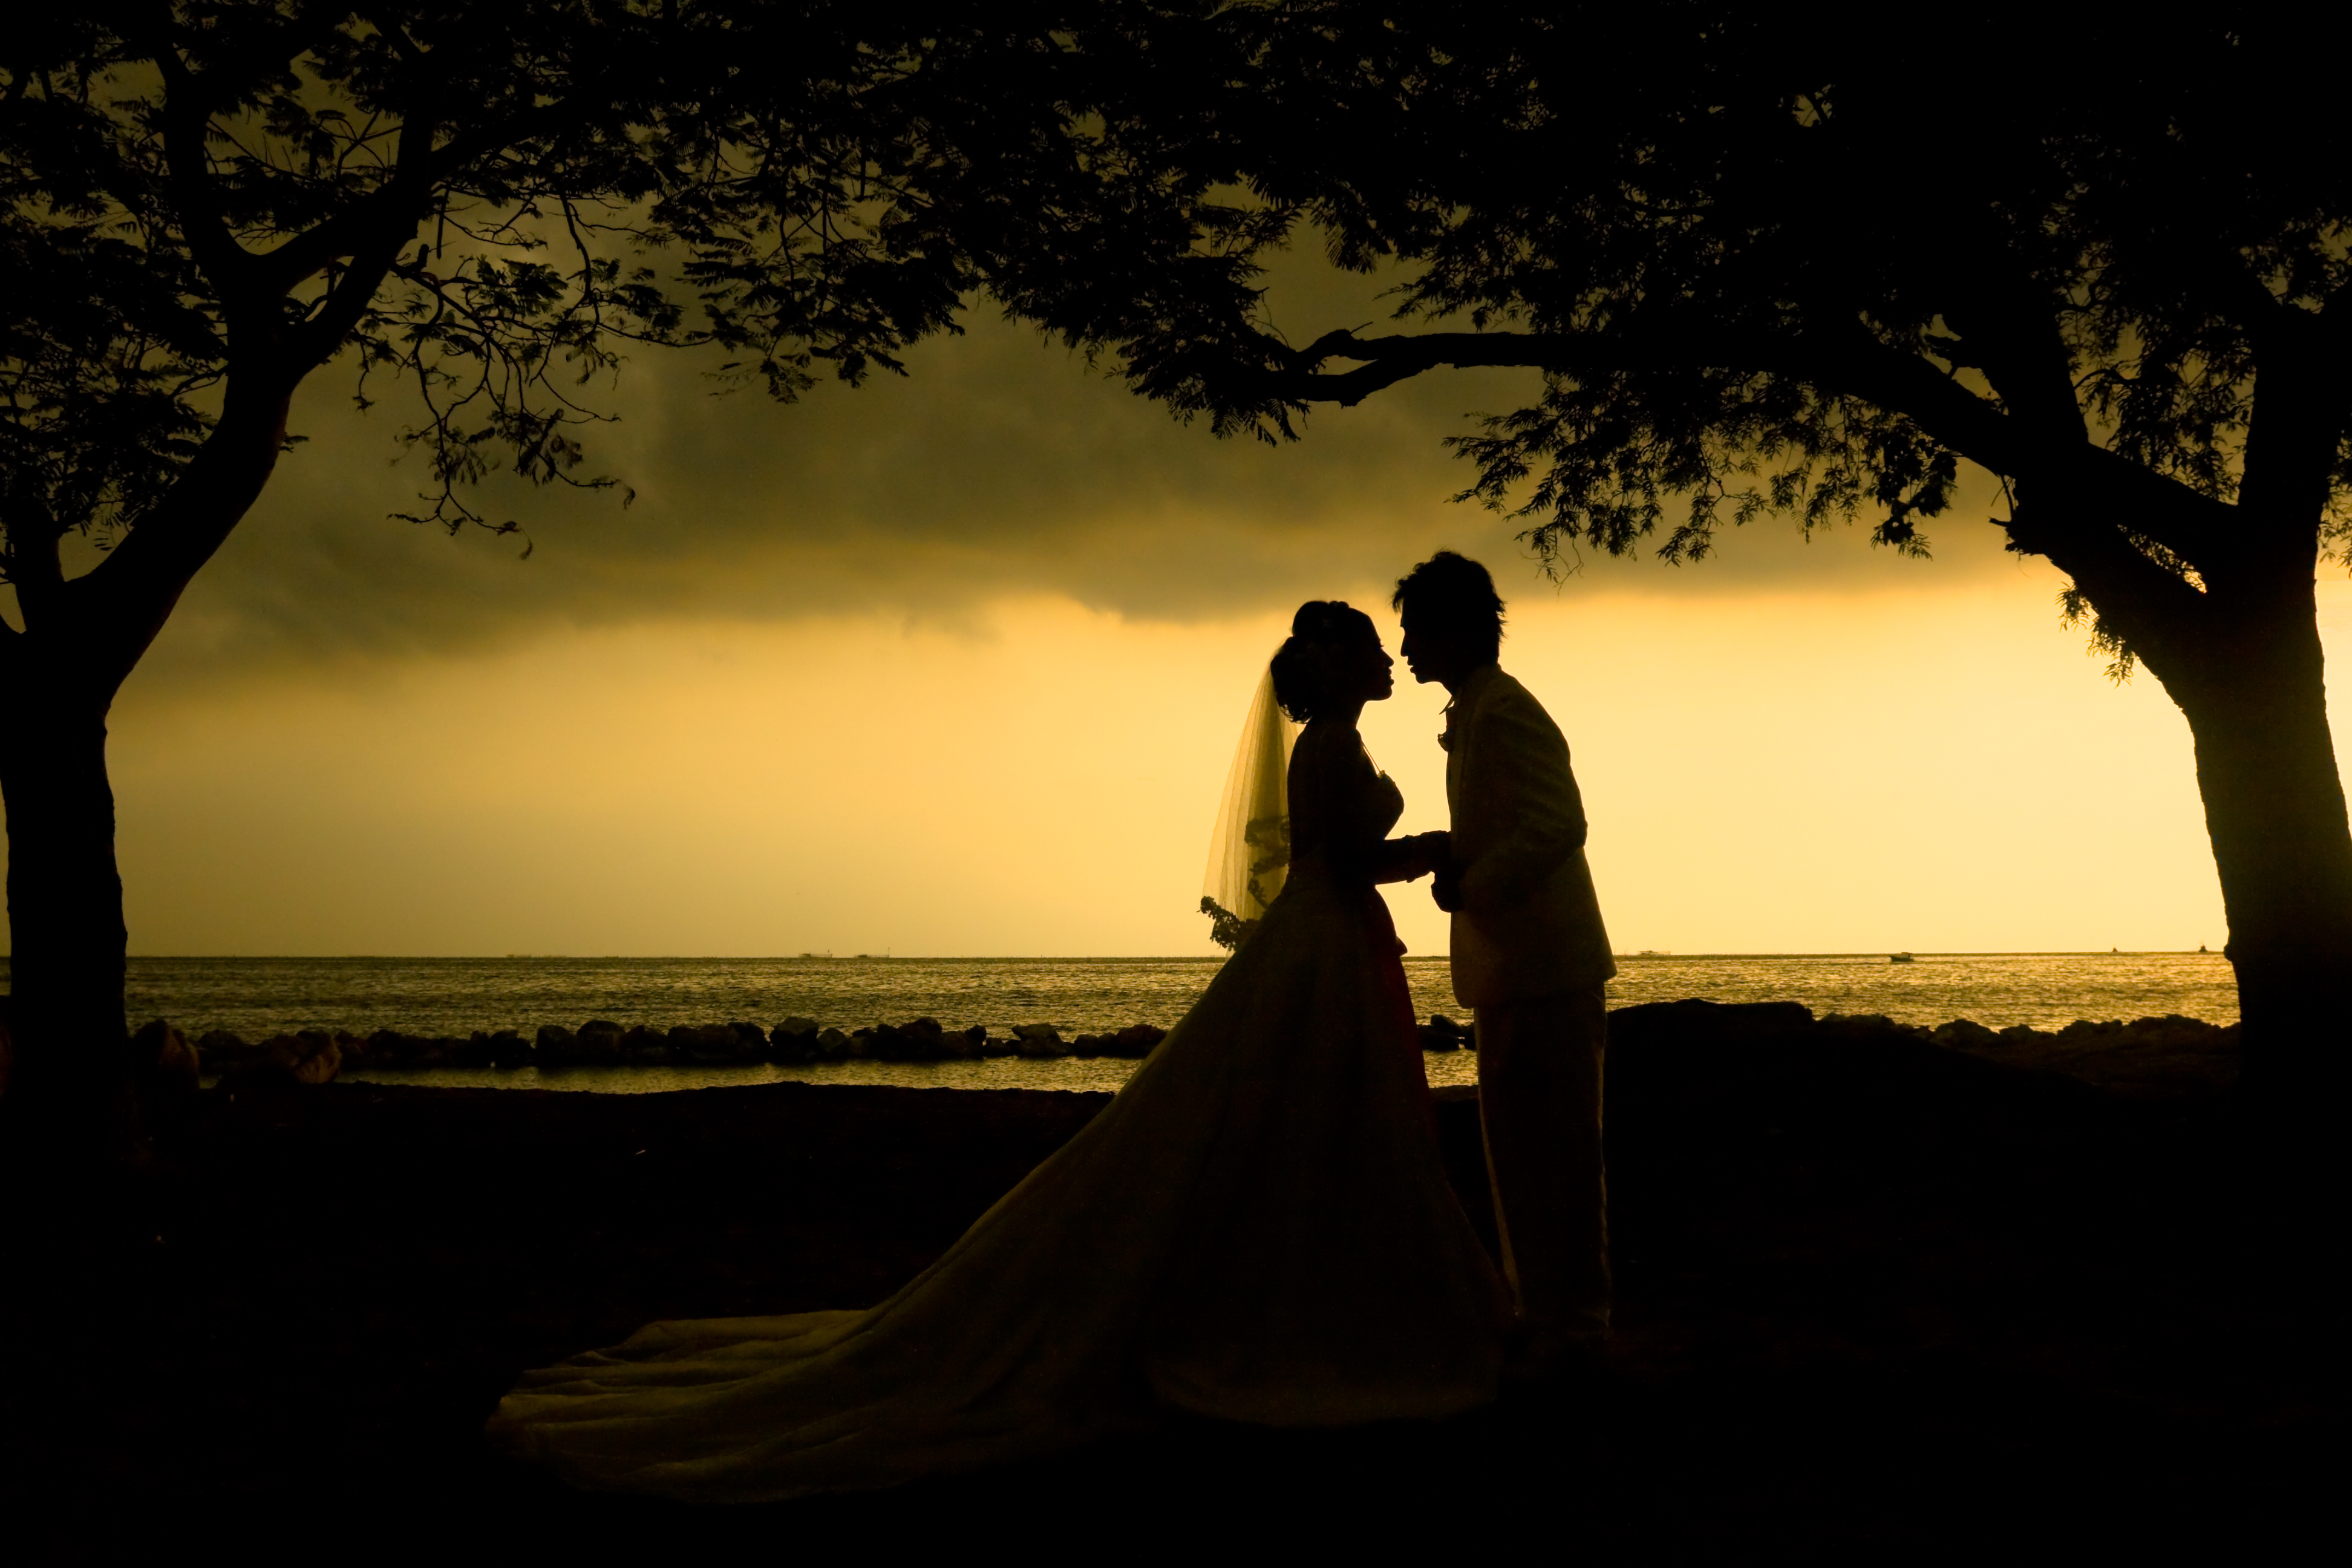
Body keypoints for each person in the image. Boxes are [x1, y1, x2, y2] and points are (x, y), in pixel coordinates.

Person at [486, 601, 1504, 1501]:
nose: (1385, 659)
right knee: (1313, 1133)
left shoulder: (1332, 743)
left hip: (1329, 944)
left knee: (1305, 1134)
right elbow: (1345, 858)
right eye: (1371, 646)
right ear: (1334, 667)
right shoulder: (1328, 746)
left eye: (1383, 645)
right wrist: (1435, 855)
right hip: (1323, 946)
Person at [1393, 551, 1616, 1381]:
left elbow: (1557, 824)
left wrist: (1471, 885)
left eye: (1416, 628)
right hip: (1520, 970)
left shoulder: (1505, 711)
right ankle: (1546, 1318)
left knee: (1556, 1158)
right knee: (1523, 1160)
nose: (1407, 644)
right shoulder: (1481, 710)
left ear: (1455, 627)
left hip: (1544, 967)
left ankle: (1575, 1329)